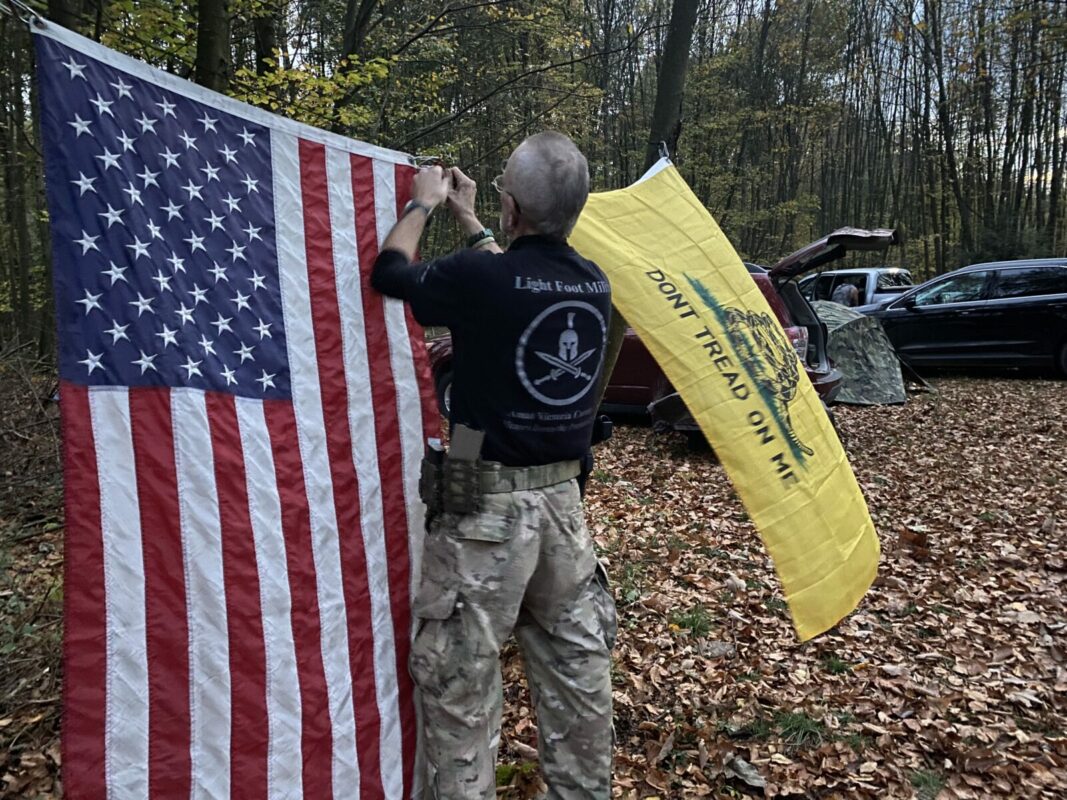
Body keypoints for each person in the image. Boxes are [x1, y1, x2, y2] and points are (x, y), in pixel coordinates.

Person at [371, 132, 617, 799]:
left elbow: (389, 274)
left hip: (483, 508)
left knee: (458, 692)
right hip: (564, 513)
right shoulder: (593, 283)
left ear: (512, 209)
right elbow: (515, 278)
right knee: (578, 687)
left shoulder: (485, 279)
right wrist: (474, 220)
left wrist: (422, 206)